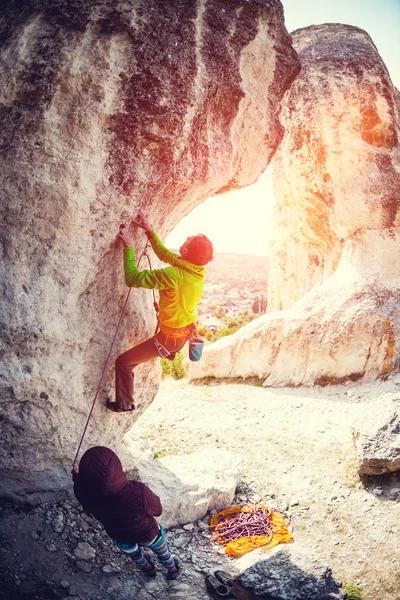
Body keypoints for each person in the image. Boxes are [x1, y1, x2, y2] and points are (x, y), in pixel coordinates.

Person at [107, 211, 213, 413]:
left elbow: (133, 278)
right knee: (130, 359)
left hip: (170, 339)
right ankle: (168, 353)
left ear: (185, 249)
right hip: (182, 333)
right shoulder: (196, 270)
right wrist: (149, 231)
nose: (187, 238)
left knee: (124, 362)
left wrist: (129, 247)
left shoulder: (174, 275)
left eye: (188, 239)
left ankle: (125, 404)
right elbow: (165, 255)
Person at [72, 446, 180, 579]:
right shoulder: (139, 492)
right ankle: (173, 570)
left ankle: (148, 568)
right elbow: (158, 510)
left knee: (135, 555)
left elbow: (81, 487)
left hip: (119, 536)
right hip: (147, 534)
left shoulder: (83, 494)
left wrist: (76, 477)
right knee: (163, 552)